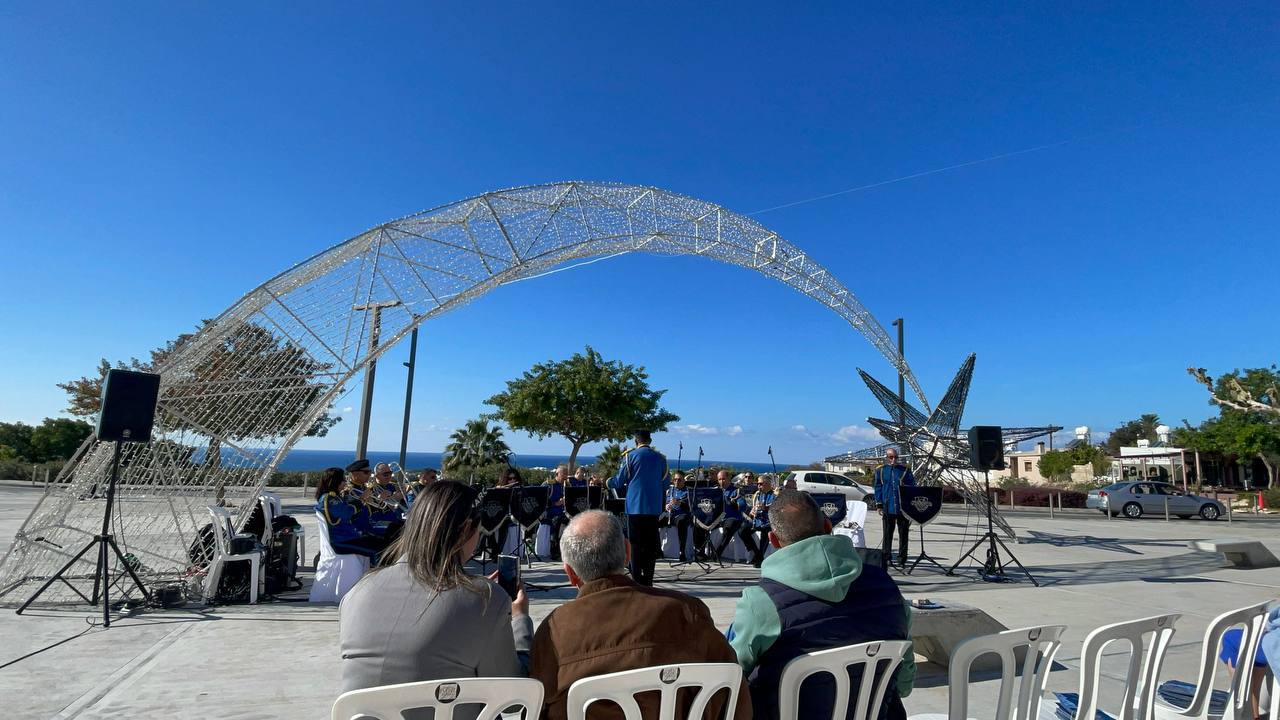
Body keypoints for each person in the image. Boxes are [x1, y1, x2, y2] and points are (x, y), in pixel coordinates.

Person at [529, 510, 752, 720]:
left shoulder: (554, 631)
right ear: (627, 552)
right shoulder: (687, 613)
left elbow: (536, 708)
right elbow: (733, 693)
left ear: (570, 573)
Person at [726, 491, 914, 720]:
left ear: (773, 540)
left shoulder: (761, 602)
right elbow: (904, 684)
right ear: (828, 526)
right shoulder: (887, 587)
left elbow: (729, 678)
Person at [339, 480, 533, 697]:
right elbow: (511, 691)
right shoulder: (485, 598)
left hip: (363, 711)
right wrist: (520, 619)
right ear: (466, 529)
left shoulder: (358, 591)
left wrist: (472, 591)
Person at [607, 430, 668, 586]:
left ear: (636, 441)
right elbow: (666, 484)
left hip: (635, 506)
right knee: (650, 545)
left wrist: (608, 482)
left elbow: (619, 481)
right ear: (650, 441)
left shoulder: (630, 456)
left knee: (635, 544)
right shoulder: (661, 458)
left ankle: (636, 579)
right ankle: (648, 579)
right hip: (653, 508)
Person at [874, 448, 916, 570]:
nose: (894, 460)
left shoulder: (905, 470)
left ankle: (902, 558)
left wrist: (906, 489)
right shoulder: (881, 471)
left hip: (902, 507)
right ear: (886, 457)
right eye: (891, 457)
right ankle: (886, 557)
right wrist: (879, 504)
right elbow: (878, 487)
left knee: (903, 534)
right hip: (888, 506)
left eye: (895, 457)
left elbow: (912, 486)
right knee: (887, 534)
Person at [481, 467, 525, 562]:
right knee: (488, 526)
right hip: (497, 515)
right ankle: (494, 549)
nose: (512, 481)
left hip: (511, 516)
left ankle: (498, 551)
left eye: (514, 478)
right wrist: (499, 490)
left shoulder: (518, 490)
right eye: (509, 479)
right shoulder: (499, 489)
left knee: (504, 526)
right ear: (505, 479)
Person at [713, 469, 759, 561]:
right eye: (719, 479)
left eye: (723, 479)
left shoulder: (736, 491)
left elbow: (742, 506)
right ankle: (700, 552)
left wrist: (734, 503)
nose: (722, 481)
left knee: (730, 525)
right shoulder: (716, 491)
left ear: (729, 479)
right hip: (717, 519)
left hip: (732, 518)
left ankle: (718, 553)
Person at [660, 471, 695, 561]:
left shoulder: (688, 491)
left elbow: (691, 507)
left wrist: (679, 503)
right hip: (670, 514)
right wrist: (666, 506)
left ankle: (682, 551)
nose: (676, 482)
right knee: (654, 521)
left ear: (684, 481)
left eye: (679, 480)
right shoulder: (670, 490)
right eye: (675, 480)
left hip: (681, 515)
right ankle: (657, 550)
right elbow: (666, 502)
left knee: (682, 521)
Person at [746, 475, 777, 568]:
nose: (758, 486)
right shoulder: (758, 494)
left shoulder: (774, 495)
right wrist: (752, 512)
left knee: (765, 532)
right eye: (758, 484)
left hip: (768, 521)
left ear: (767, 484)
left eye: (760, 484)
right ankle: (756, 553)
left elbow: (776, 508)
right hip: (757, 520)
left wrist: (765, 508)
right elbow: (754, 508)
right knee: (742, 530)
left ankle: (760, 559)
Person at [544, 466, 570, 561]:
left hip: (565, 513)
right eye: (563, 474)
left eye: (566, 474)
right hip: (551, 514)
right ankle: (555, 551)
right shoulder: (549, 485)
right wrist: (556, 503)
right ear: (557, 474)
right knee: (557, 522)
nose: (565, 476)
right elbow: (541, 500)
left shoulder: (567, 485)